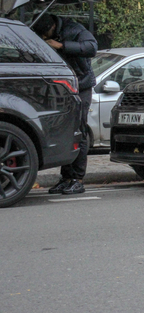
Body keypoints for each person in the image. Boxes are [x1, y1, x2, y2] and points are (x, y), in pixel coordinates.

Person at [32, 13, 97, 195]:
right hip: (63, 88)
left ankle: (77, 179)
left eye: (47, 36)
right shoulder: (51, 31)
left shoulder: (74, 30)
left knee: (79, 132)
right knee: (66, 133)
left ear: (52, 27)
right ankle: (66, 178)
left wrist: (60, 45)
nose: (47, 40)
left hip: (80, 87)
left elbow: (92, 47)